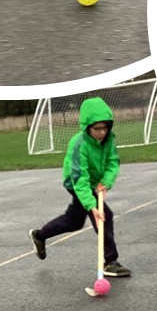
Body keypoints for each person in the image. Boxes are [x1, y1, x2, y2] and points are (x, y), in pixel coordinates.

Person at [29, 97, 132, 278]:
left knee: (74, 221)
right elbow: (79, 179)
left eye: (105, 128)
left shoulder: (109, 140)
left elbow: (113, 162)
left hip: (92, 183)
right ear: (87, 127)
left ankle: (40, 235)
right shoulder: (79, 144)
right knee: (104, 216)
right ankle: (110, 261)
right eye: (97, 129)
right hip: (76, 182)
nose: (102, 132)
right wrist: (92, 206)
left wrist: (105, 183)